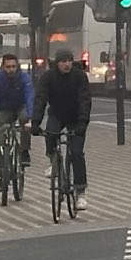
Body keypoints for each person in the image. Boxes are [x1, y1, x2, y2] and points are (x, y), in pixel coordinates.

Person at [32, 48, 93, 211]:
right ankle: (53, 161)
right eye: (63, 61)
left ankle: (81, 193)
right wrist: (35, 122)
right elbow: (40, 99)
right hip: (57, 114)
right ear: (57, 63)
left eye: (69, 61)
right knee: (50, 134)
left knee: (77, 152)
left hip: (76, 117)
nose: (67, 64)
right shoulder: (48, 77)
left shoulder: (79, 76)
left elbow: (85, 100)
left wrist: (82, 123)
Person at [0, 51, 34, 168]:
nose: (11, 69)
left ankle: (24, 152)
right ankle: (1, 161)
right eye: (8, 67)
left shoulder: (24, 77)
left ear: (17, 66)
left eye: (14, 66)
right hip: (5, 108)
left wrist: (31, 118)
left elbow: (30, 97)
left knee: (24, 119)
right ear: (3, 67)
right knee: (1, 127)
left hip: (20, 105)